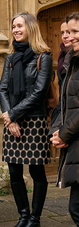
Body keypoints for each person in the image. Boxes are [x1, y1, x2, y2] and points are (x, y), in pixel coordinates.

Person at [0, 12, 52, 227]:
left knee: (36, 170)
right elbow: (2, 89)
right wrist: (9, 119)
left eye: (19, 25)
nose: (15, 30)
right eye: (13, 26)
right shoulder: (11, 58)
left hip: (34, 120)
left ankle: (35, 218)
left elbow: (39, 92)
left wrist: (13, 114)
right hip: (12, 121)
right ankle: (23, 215)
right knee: (14, 170)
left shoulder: (44, 56)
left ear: (30, 27)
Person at [50, 12, 79, 227]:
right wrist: (57, 131)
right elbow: (64, 103)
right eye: (66, 32)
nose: (68, 36)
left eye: (74, 31)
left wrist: (65, 133)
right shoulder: (71, 62)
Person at [50, 19, 73, 129]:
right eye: (62, 33)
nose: (65, 36)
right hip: (64, 117)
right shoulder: (62, 57)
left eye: (69, 32)